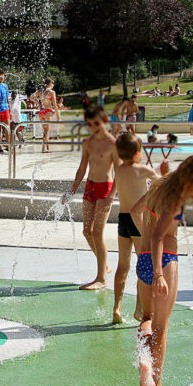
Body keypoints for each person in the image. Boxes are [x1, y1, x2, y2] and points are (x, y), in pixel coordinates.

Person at [129, 154, 193, 386]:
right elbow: (158, 237)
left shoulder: (160, 186)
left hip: (144, 258)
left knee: (147, 318)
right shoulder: (175, 201)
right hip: (163, 260)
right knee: (162, 328)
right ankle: (158, 384)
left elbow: (133, 211)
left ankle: (144, 360)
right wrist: (160, 275)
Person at [111, 133, 169, 324]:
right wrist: (165, 171)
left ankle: (117, 307)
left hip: (123, 219)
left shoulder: (118, 169)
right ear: (137, 153)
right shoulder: (142, 170)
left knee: (122, 264)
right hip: (138, 220)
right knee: (143, 261)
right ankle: (139, 308)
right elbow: (162, 184)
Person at [68, 106, 120, 290]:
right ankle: (104, 264)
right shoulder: (87, 142)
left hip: (105, 190)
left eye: (96, 123)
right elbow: (82, 168)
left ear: (104, 121)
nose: (93, 128)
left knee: (97, 233)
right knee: (87, 231)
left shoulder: (113, 143)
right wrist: (72, 190)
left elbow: (119, 171)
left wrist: (111, 197)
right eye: (90, 125)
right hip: (90, 187)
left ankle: (101, 278)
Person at [37, 78, 59, 153]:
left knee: (45, 131)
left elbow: (31, 97)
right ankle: (43, 149)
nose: (53, 85)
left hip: (41, 112)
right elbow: (55, 105)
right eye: (53, 83)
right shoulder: (52, 92)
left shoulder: (41, 91)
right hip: (48, 112)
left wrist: (38, 104)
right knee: (47, 131)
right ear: (50, 84)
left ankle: (47, 148)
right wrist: (58, 116)